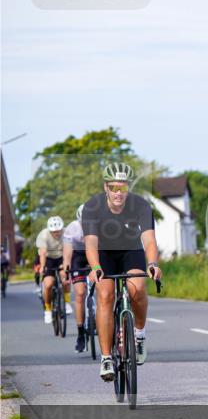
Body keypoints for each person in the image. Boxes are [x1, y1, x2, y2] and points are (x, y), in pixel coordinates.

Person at [83, 163, 161, 381]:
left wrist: (153, 263)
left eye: (123, 188)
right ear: (106, 188)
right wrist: (96, 268)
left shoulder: (141, 206)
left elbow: (149, 240)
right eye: (114, 188)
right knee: (105, 295)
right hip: (104, 254)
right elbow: (90, 244)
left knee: (137, 288)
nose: (119, 193)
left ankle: (139, 334)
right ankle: (106, 358)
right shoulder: (92, 207)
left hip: (130, 251)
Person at [62, 204, 92, 352]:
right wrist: (66, 269)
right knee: (80, 293)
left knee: (105, 289)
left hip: (95, 255)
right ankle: (81, 333)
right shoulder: (72, 228)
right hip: (78, 257)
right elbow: (67, 252)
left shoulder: (100, 225)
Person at [36, 216, 68, 325]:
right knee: (48, 284)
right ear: (50, 231)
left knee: (65, 278)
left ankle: (67, 302)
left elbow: (68, 249)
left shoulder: (66, 233)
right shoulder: (44, 235)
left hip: (61, 256)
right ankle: (48, 309)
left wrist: (66, 264)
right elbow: (43, 253)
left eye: (58, 231)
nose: (57, 233)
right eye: (54, 232)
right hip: (48, 258)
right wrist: (42, 267)